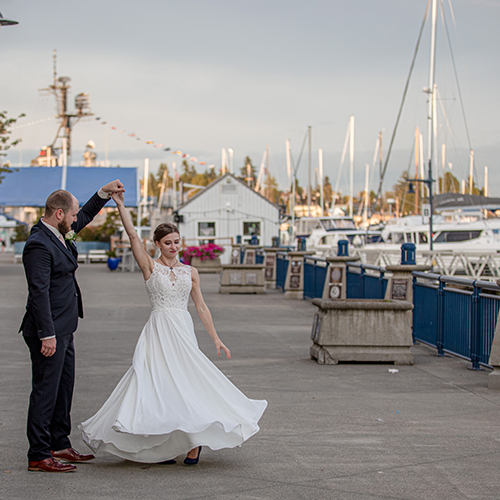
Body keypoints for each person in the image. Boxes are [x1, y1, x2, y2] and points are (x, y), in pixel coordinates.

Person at [80, 191, 267, 465]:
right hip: (157, 329)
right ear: (157, 244)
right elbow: (132, 236)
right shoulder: (149, 266)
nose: (173, 247)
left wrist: (215, 339)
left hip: (181, 328)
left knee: (187, 383)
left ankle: (194, 442)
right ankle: (162, 444)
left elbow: (201, 307)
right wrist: (120, 206)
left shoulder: (190, 272)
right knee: (156, 384)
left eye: (177, 242)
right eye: (167, 243)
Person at [20, 180, 125, 473]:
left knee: (63, 388)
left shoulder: (59, 233)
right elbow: (38, 291)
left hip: (65, 326)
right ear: (58, 214)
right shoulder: (39, 243)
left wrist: (103, 194)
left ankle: (58, 442)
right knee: (45, 391)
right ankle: (39, 454)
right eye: (73, 214)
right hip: (48, 330)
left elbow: (86, 216)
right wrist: (47, 334)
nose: (77, 219)